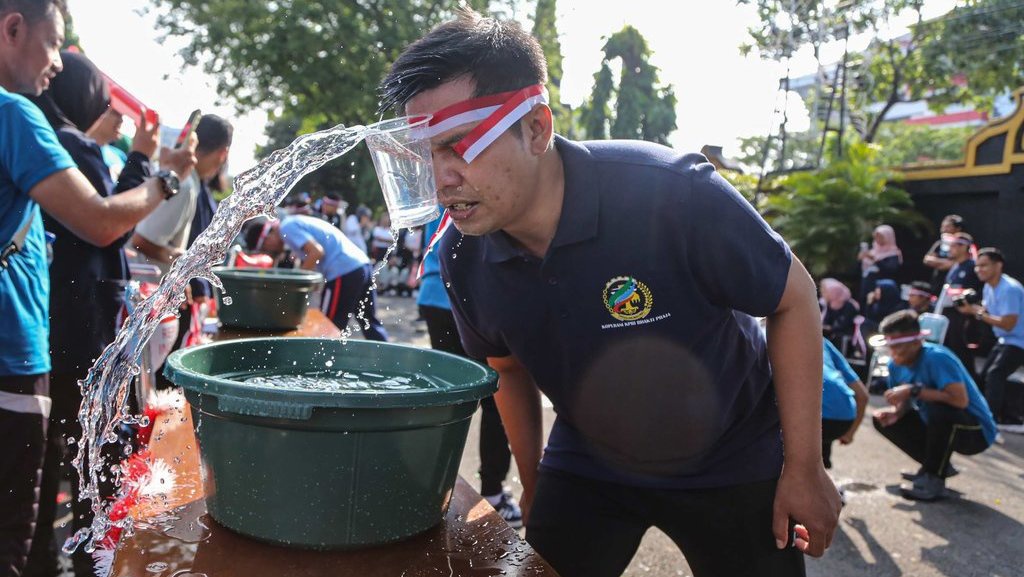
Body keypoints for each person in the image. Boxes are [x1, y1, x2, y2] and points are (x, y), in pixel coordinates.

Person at [379, 10, 841, 577]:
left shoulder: (671, 193)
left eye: (459, 145)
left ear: (536, 128)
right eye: (422, 156)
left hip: (733, 450)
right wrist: (534, 480)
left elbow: (793, 298)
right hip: (590, 458)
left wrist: (805, 467)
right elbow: (506, 366)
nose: (440, 177)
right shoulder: (461, 253)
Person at [0, 2, 183, 573]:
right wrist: (160, 178)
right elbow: (102, 222)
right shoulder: (16, 118)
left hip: (37, 345)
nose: (57, 61)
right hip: (19, 352)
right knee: (18, 539)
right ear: (12, 29)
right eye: (54, 42)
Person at [417, 213, 522, 527]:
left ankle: (428, 486)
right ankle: (492, 492)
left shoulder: (436, 178)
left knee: (445, 398)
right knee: (497, 397)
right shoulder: (478, 174)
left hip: (434, 294)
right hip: (475, 295)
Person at [871, 310, 997, 501]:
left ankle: (934, 479)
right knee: (883, 420)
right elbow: (905, 403)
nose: (893, 353)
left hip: (974, 432)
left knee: (939, 409)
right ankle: (935, 466)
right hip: (936, 424)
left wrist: (913, 390)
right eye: (890, 347)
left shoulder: (937, 358)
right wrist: (896, 413)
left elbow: (959, 400)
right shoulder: (894, 365)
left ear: (916, 342)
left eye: (898, 347)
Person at [244, 215, 388, 341]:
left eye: (265, 248)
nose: (270, 251)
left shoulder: (287, 227)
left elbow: (316, 252)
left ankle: (323, 368)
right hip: (361, 265)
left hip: (343, 270)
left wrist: (293, 286)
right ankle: (386, 359)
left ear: (267, 238)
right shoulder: (293, 223)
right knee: (369, 321)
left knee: (329, 326)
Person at [130, 114, 232, 277]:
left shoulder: (183, 181)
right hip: (142, 289)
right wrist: (184, 262)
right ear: (223, 154)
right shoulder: (183, 186)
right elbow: (140, 240)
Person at [956, 248, 1024, 431]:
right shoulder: (988, 287)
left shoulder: (1010, 289)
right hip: (1005, 340)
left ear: (998, 265)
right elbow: (986, 312)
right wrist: (970, 306)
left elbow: (1008, 323)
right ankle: (1007, 416)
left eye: (984, 265)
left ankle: (988, 423)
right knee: (985, 376)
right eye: (977, 266)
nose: (979, 270)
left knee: (995, 375)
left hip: (1018, 342)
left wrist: (975, 312)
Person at [820, 339, 868, 470]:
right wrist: (850, 433)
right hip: (843, 420)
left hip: (812, 419)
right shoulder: (822, 341)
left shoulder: (768, 334)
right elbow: (863, 395)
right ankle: (823, 472)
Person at [857, 224, 902, 304]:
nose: (877, 239)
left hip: (882, 291)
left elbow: (890, 270)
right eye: (876, 236)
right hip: (866, 287)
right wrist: (860, 259)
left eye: (880, 236)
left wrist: (874, 259)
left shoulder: (893, 253)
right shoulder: (872, 251)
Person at [922, 214, 965, 295]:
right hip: (937, 284)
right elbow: (927, 260)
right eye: (943, 227)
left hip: (955, 286)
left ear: (958, 229)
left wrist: (937, 263)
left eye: (947, 227)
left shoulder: (965, 245)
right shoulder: (939, 244)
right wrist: (945, 263)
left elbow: (957, 263)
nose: (943, 230)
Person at [819, 278, 860, 355]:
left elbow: (844, 323)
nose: (823, 293)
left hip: (843, 337)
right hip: (829, 334)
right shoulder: (827, 304)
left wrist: (830, 328)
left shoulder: (849, 305)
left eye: (825, 291)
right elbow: (825, 320)